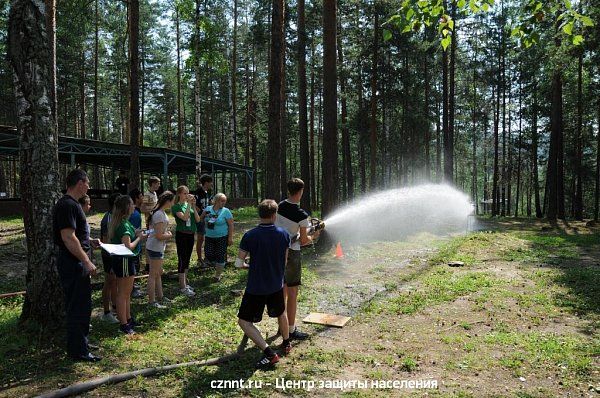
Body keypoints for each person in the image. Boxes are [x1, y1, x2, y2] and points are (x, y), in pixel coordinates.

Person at [52, 169, 101, 362]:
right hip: (73, 263)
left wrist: (89, 240)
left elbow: (75, 234)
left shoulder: (71, 205)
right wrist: (86, 260)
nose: (88, 186)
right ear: (79, 183)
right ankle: (78, 351)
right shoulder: (67, 205)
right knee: (77, 306)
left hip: (75, 261)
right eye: (87, 182)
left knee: (83, 304)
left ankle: (82, 343)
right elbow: (67, 237)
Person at [236, 199, 291, 369]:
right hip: (276, 284)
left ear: (259, 214)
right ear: (274, 215)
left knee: (244, 322)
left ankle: (269, 353)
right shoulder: (284, 234)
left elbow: (239, 263)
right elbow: (285, 260)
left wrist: (248, 265)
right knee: (281, 313)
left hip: (256, 287)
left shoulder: (250, 235)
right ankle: (287, 343)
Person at [275, 178, 319, 340]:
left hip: (277, 252)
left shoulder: (278, 206)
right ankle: (291, 330)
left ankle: (282, 326)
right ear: (300, 192)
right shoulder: (301, 214)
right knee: (292, 292)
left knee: (283, 290)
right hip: (292, 254)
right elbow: (304, 240)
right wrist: (314, 235)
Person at [108, 195, 147, 335]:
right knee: (123, 293)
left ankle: (128, 319)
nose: (134, 206)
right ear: (126, 207)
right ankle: (124, 324)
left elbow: (130, 234)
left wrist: (137, 233)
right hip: (124, 260)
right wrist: (139, 238)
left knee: (126, 293)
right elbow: (128, 246)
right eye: (131, 204)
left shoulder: (124, 221)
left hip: (125, 260)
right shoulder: (123, 224)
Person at [146, 191, 175, 308]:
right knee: (153, 274)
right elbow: (159, 235)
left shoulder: (161, 213)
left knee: (158, 273)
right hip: (155, 247)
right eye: (172, 201)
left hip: (157, 247)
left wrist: (166, 233)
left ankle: (160, 296)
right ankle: (152, 302)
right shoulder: (159, 214)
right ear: (167, 201)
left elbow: (157, 232)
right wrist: (169, 235)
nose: (173, 204)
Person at [172, 186, 201, 297]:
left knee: (187, 259)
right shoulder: (176, 207)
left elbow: (198, 220)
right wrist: (189, 204)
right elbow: (184, 218)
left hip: (190, 235)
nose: (187, 195)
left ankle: (185, 283)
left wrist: (193, 205)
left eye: (188, 193)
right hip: (182, 235)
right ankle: (182, 287)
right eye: (185, 193)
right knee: (182, 259)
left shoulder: (188, 205)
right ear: (179, 194)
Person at [201, 193, 234, 281]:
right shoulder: (208, 209)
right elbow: (200, 218)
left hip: (222, 237)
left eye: (225, 201)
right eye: (222, 201)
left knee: (220, 256)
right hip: (209, 237)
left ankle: (217, 275)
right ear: (216, 200)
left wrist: (230, 238)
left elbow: (231, 225)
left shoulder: (226, 211)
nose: (223, 203)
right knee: (208, 254)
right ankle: (216, 264)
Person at [100, 193, 120, 323]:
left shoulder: (117, 217)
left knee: (115, 282)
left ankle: (115, 308)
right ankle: (106, 312)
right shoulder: (108, 218)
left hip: (116, 254)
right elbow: (106, 240)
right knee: (109, 281)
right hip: (109, 255)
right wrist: (112, 258)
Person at [140, 176, 161, 272]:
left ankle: (153, 262)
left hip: (155, 221)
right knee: (149, 241)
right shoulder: (147, 195)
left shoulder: (155, 193)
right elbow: (142, 208)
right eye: (158, 183)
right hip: (149, 223)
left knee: (154, 241)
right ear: (153, 184)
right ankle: (148, 264)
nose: (159, 185)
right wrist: (153, 210)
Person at [194, 174, 213, 268]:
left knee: (207, 237)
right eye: (210, 182)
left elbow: (209, 203)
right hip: (200, 218)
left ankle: (207, 257)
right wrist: (202, 214)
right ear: (206, 183)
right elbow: (195, 207)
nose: (211, 184)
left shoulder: (207, 192)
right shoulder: (198, 192)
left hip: (208, 218)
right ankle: (199, 258)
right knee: (200, 238)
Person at [129, 188, 144, 298]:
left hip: (136, 244)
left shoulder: (137, 211)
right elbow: (132, 231)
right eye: (141, 196)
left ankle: (132, 285)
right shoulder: (134, 214)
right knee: (133, 267)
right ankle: (131, 289)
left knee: (135, 266)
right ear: (136, 198)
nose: (143, 198)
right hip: (133, 245)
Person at [78, 194, 93, 260]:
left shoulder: (83, 217)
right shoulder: (78, 219)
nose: (90, 206)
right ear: (81, 205)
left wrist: (91, 240)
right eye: (88, 204)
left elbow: (83, 234)